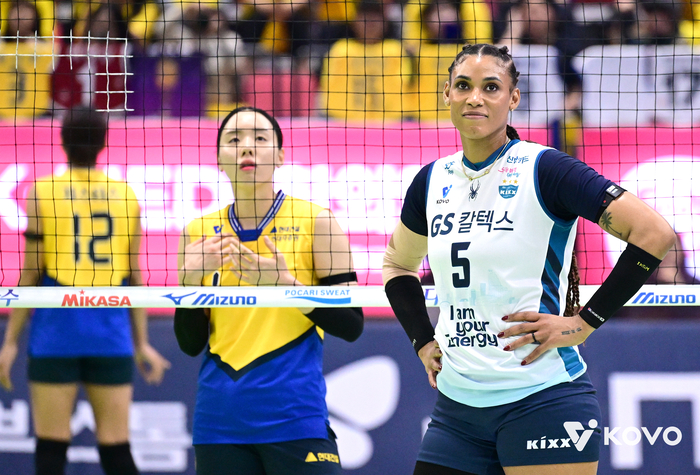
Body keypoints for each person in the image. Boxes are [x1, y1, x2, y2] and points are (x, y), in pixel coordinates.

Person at [382, 43, 675, 475]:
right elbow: (398, 266)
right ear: (447, 94)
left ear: (513, 98)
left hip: (543, 399)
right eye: (463, 86)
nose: (475, 98)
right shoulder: (431, 180)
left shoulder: (546, 168)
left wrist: (584, 323)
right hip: (457, 411)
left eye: (491, 87)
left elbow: (655, 235)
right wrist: (422, 341)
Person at [174, 106, 364, 475]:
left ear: (279, 156)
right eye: (234, 139)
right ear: (218, 159)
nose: (247, 147)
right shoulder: (197, 233)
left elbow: (352, 325)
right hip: (219, 421)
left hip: (295, 417)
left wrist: (286, 286)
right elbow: (190, 343)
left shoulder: (317, 222)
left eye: (260, 138)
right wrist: (189, 283)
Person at [0, 106, 171, 475]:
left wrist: (10, 342)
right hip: (110, 334)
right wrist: (141, 343)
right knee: (117, 451)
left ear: (62, 141)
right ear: (103, 143)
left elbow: (30, 273)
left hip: (55, 334)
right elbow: (135, 277)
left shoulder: (42, 191)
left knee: (50, 451)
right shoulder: (126, 194)